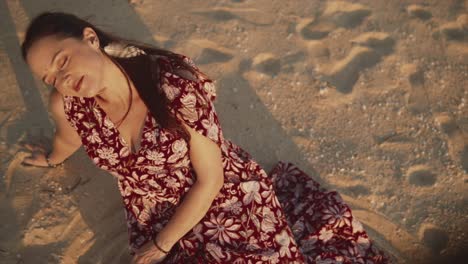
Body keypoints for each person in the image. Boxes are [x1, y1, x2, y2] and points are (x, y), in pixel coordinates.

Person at [20, 12, 389, 264]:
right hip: (153, 214)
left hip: (223, 202)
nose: (62, 79)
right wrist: (53, 157)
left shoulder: (173, 86)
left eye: (62, 60)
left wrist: (161, 245)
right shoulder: (68, 103)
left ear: (89, 38)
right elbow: (69, 138)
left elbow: (211, 179)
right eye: (50, 77)